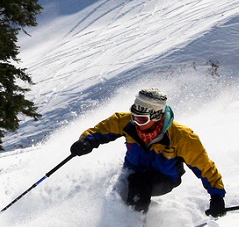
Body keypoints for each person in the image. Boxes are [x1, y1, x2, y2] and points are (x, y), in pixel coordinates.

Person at [69, 88, 227, 217]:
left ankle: (133, 226)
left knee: (140, 182)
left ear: (157, 116)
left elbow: (205, 168)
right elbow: (101, 130)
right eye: (134, 116)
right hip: (133, 171)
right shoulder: (126, 122)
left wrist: (217, 197)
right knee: (115, 192)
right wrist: (86, 141)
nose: (136, 123)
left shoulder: (182, 137)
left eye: (142, 119)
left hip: (165, 178)